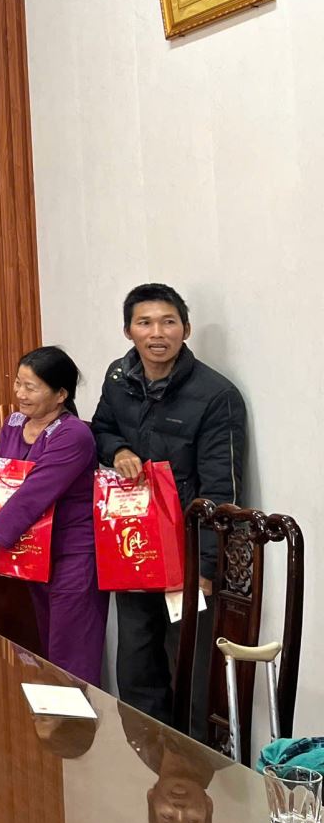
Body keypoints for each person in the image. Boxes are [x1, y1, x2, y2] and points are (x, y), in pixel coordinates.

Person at [92, 283, 247, 725]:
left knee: (190, 671)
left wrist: (206, 566)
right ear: (128, 331)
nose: (157, 333)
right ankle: (145, 760)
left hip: (186, 552)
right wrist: (119, 450)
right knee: (136, 666)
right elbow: (100, 429)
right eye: (145, 323)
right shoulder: (118, 379)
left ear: (186, 329)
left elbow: (222, 490)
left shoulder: (216, 395)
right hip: (132, 545)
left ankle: (190, 763)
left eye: (168, 322)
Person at [0, 347, 107, 684]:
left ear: (60, 395)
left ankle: (78, 719)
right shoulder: (13, 424)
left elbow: (33, 494)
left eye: (31, 387)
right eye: (18, 383)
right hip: (34, 555)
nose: (20, 394)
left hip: (72, 556)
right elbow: (0, 483)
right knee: (49, 654)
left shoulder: (74, 434)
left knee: (72, 658)